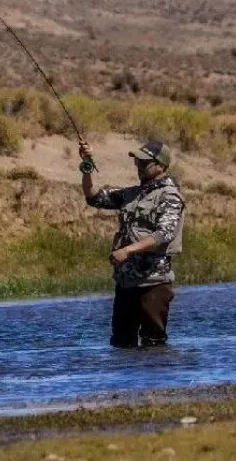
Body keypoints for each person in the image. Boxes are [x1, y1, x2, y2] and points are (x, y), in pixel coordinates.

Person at [79, 140, 186, 348]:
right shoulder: (131, 194)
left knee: (153, 346)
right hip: (126, 282)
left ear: (161, 165)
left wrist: (127, 251)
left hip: (154, 283)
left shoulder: (170, 196)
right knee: (121, 345)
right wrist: (87, 164)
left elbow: (163, 234)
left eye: (144, 162)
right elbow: (93, 197)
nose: (138, 166)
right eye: (137, 161)